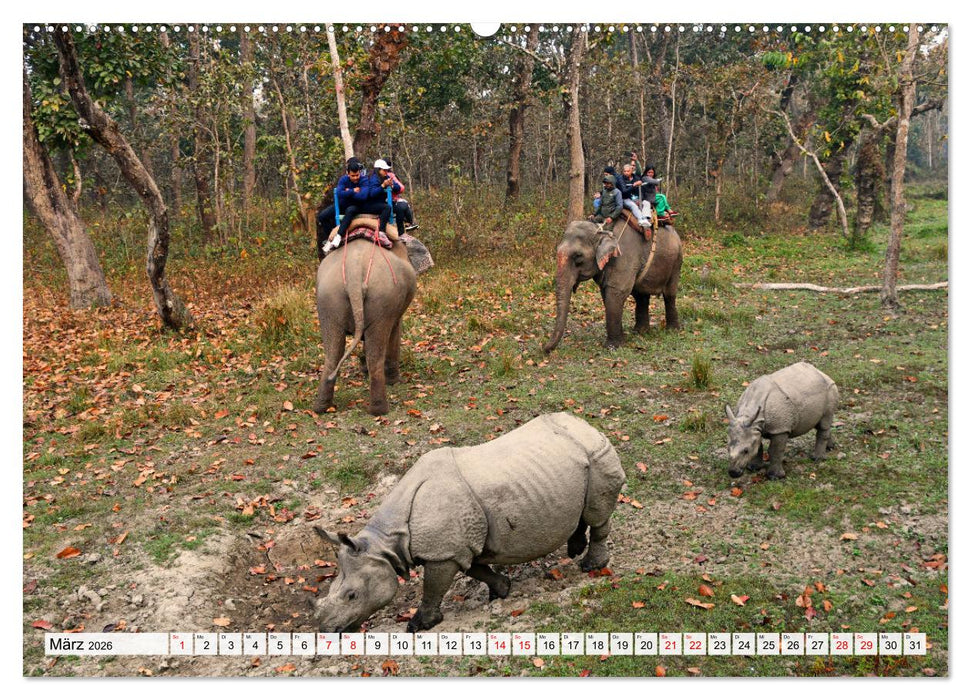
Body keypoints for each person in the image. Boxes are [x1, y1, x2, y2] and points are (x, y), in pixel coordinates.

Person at [317, 157, 366, 260]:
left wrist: (347, 192)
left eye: (357, 174)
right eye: (353, 175)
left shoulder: (363, 178)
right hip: (341, 205)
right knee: (322, 216)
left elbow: (363, 196)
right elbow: (339, 193)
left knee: (350, 210)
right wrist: (353, 191)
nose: (355, 177)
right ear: (348, 172)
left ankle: (340, 235)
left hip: (355, 206)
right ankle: (330, 236)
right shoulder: (343, 179)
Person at [382, 157, 419, 236]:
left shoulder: (388, 176)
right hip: (387, 201)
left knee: (402, 205)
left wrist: (392, 186)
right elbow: (401, 188)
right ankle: (407, 224)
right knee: (403, 206)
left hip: (390, 200)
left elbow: (400, 187)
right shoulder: (389, 175)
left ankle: (408, 224)